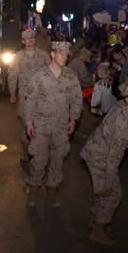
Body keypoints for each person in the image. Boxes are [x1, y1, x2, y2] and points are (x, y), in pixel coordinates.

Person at [81, 79, 128, 247]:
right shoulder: (123, 121)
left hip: (97, 151)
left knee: (102, 192)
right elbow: (114, 157)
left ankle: (96, 220)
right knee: (111, 193)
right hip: (100, 156)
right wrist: (108, 182)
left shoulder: (124, 106)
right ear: (127, 97)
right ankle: (98, 230)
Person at [23, 41, 83, 207]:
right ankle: (33, 191)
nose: (64, 57)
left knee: (58, 160)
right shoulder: (39, 75)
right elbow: (30, 100)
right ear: (52, 54)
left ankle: (52, 193)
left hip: (61, 126)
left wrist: (73, 119)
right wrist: (29, 122)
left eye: (66, 54)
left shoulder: (70, 76)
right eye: (61, 53)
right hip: (41, 125)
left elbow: (76, 99)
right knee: (38, 160)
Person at [8, 29, 51, 159]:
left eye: (32, 37)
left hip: (42, 95)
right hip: (25, 95)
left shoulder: (43, 55)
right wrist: (12, 93)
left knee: (42, 120)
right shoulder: (19, 57)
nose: (30, 40)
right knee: (25, 121)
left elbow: (51, 73)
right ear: (23, 41)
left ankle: (40, 150)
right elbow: (13, 75)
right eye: (27, 38)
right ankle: (26, 151)